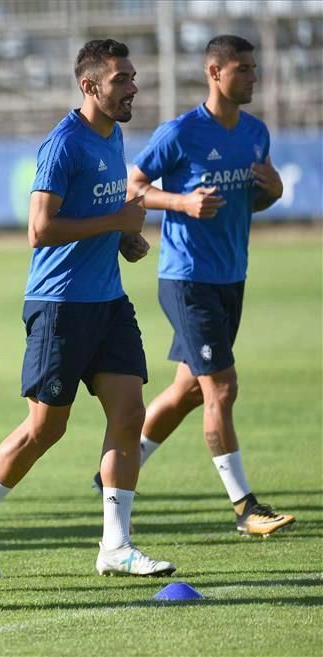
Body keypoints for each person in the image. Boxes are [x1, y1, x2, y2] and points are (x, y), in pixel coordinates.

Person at [0, 40, 175, 579]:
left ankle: (116, 546)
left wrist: (122, 241)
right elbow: (40, 229)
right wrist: (117, 223)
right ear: (89, 86)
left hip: (109, 301)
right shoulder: (63, 145)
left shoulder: (114, 135)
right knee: (45, 429)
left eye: (133, 77)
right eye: (121, 79)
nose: (132, 87)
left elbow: (101, 213)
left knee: (128, 413)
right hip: (59, 305)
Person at [91, 35, 292, 537]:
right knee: (221, 387)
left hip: (231, 276)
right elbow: (134, 186)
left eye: (252, 67)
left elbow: (252, 203)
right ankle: (246, 508)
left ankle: (113, 469)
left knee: (187, 391)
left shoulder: (255, 134)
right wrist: (180, 203)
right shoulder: (180, 133)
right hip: (186, 278)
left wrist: (274, 192)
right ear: (214, 72)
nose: (251, 76)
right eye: (241, 68)